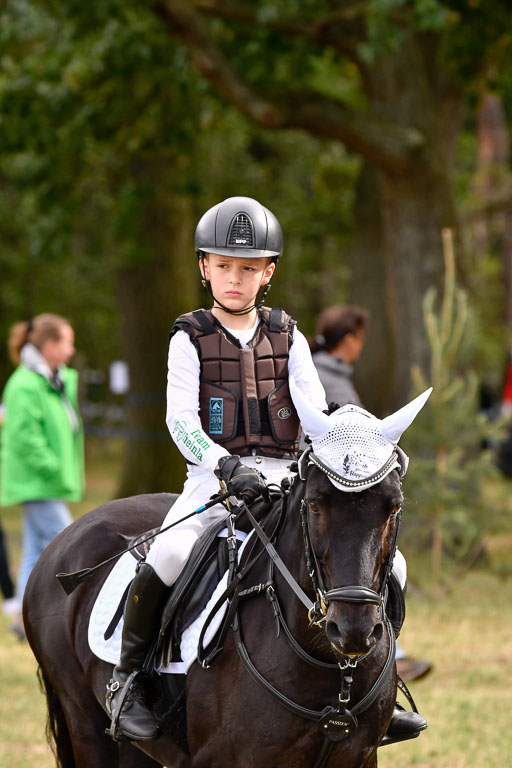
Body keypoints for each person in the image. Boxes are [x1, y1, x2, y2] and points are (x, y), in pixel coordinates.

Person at [107, 197, 426, 743]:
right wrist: (224, 464)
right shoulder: (189, 338)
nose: (235, 279)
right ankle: (128, 679)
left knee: (390, 569)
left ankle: (380, 683)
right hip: (213, 478)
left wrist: (350, 448)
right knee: (170, 552)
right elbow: (180, 420)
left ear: (267, 273)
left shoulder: (289, 335)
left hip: (286, 478)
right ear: (204, 267)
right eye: (224, 266)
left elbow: (314, 412)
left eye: (248, 268)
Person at [310, 304, 432, 683]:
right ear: (349, 340)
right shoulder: (330, 379)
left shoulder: (331, 372)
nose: (361, 347)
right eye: (360, 339)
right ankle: (388, 664)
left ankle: (387, 661)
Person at [0, 314, 84, 638]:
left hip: (45, 480)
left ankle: (24, 619)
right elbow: (24, 436)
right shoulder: (25, 383)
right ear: (49, 345)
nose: (72, 349)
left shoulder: (54, 379)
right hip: (37, 481)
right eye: (67, 341)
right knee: (69, 542)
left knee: (36, 549)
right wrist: (52, 467)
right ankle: (72, 615)